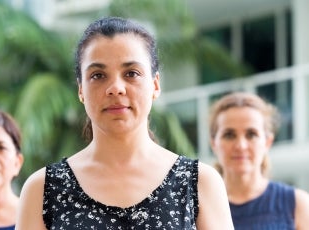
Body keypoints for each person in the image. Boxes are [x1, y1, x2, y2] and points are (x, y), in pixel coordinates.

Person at [16, 16, 234, 230]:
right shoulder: (43, 189)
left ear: (155, 85)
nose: (116, 88)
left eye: (131, 73)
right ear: (81, 89)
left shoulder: (198, 183)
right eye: (98, 75)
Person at [209, 91, 309, 230]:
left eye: (251, 134)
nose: (240, 146)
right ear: (214, 143)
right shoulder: (200, 207)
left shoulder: (298, 204)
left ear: (268, 142)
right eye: (229, 135)